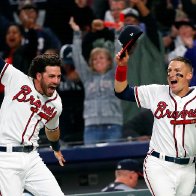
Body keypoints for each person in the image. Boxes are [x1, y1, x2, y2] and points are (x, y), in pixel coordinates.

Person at [114, 27, 196, 195]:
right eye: (169, 71)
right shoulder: (156, 92)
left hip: (189, 167)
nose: (172, 74)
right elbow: (122, 92)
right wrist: (122, 67)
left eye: (178, 71)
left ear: (189, 75)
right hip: (160, 164)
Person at [0, 54, 65, 195]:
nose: (56, 81)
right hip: (6, 157)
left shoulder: (56, 104)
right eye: (51, 76)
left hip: (32, 158)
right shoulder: (16, 78)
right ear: (39, 76)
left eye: (58, 77)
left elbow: (52, 129)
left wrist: (56, 148)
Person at [69, 17, 123, 145]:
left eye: (101, 58)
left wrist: (118, 34)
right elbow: (77, 58)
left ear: (109, 61)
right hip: (91, 127)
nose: (97, 60)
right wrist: (77, 34)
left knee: (113, 160)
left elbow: (120, 55)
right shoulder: (87, 78)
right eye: (94, 59)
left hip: (113, 125)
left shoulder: (115, 75)